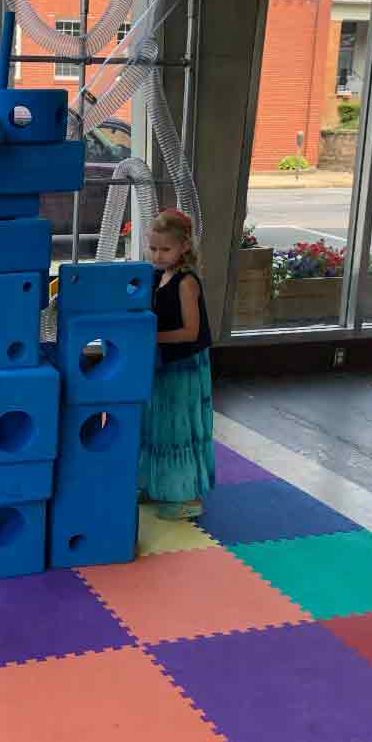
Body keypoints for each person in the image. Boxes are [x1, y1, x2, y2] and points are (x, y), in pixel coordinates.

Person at [139, 208, 216, 520]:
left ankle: (188, 495)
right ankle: (156, 483)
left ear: (184, 247)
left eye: (165, 249)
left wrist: (151, 336)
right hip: (162, 361)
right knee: (156, 423)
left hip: (183, 365)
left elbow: (191, 332)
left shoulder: (186, 282)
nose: (157, 255)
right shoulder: (158, 276)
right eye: (153, 248)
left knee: (179, 429)